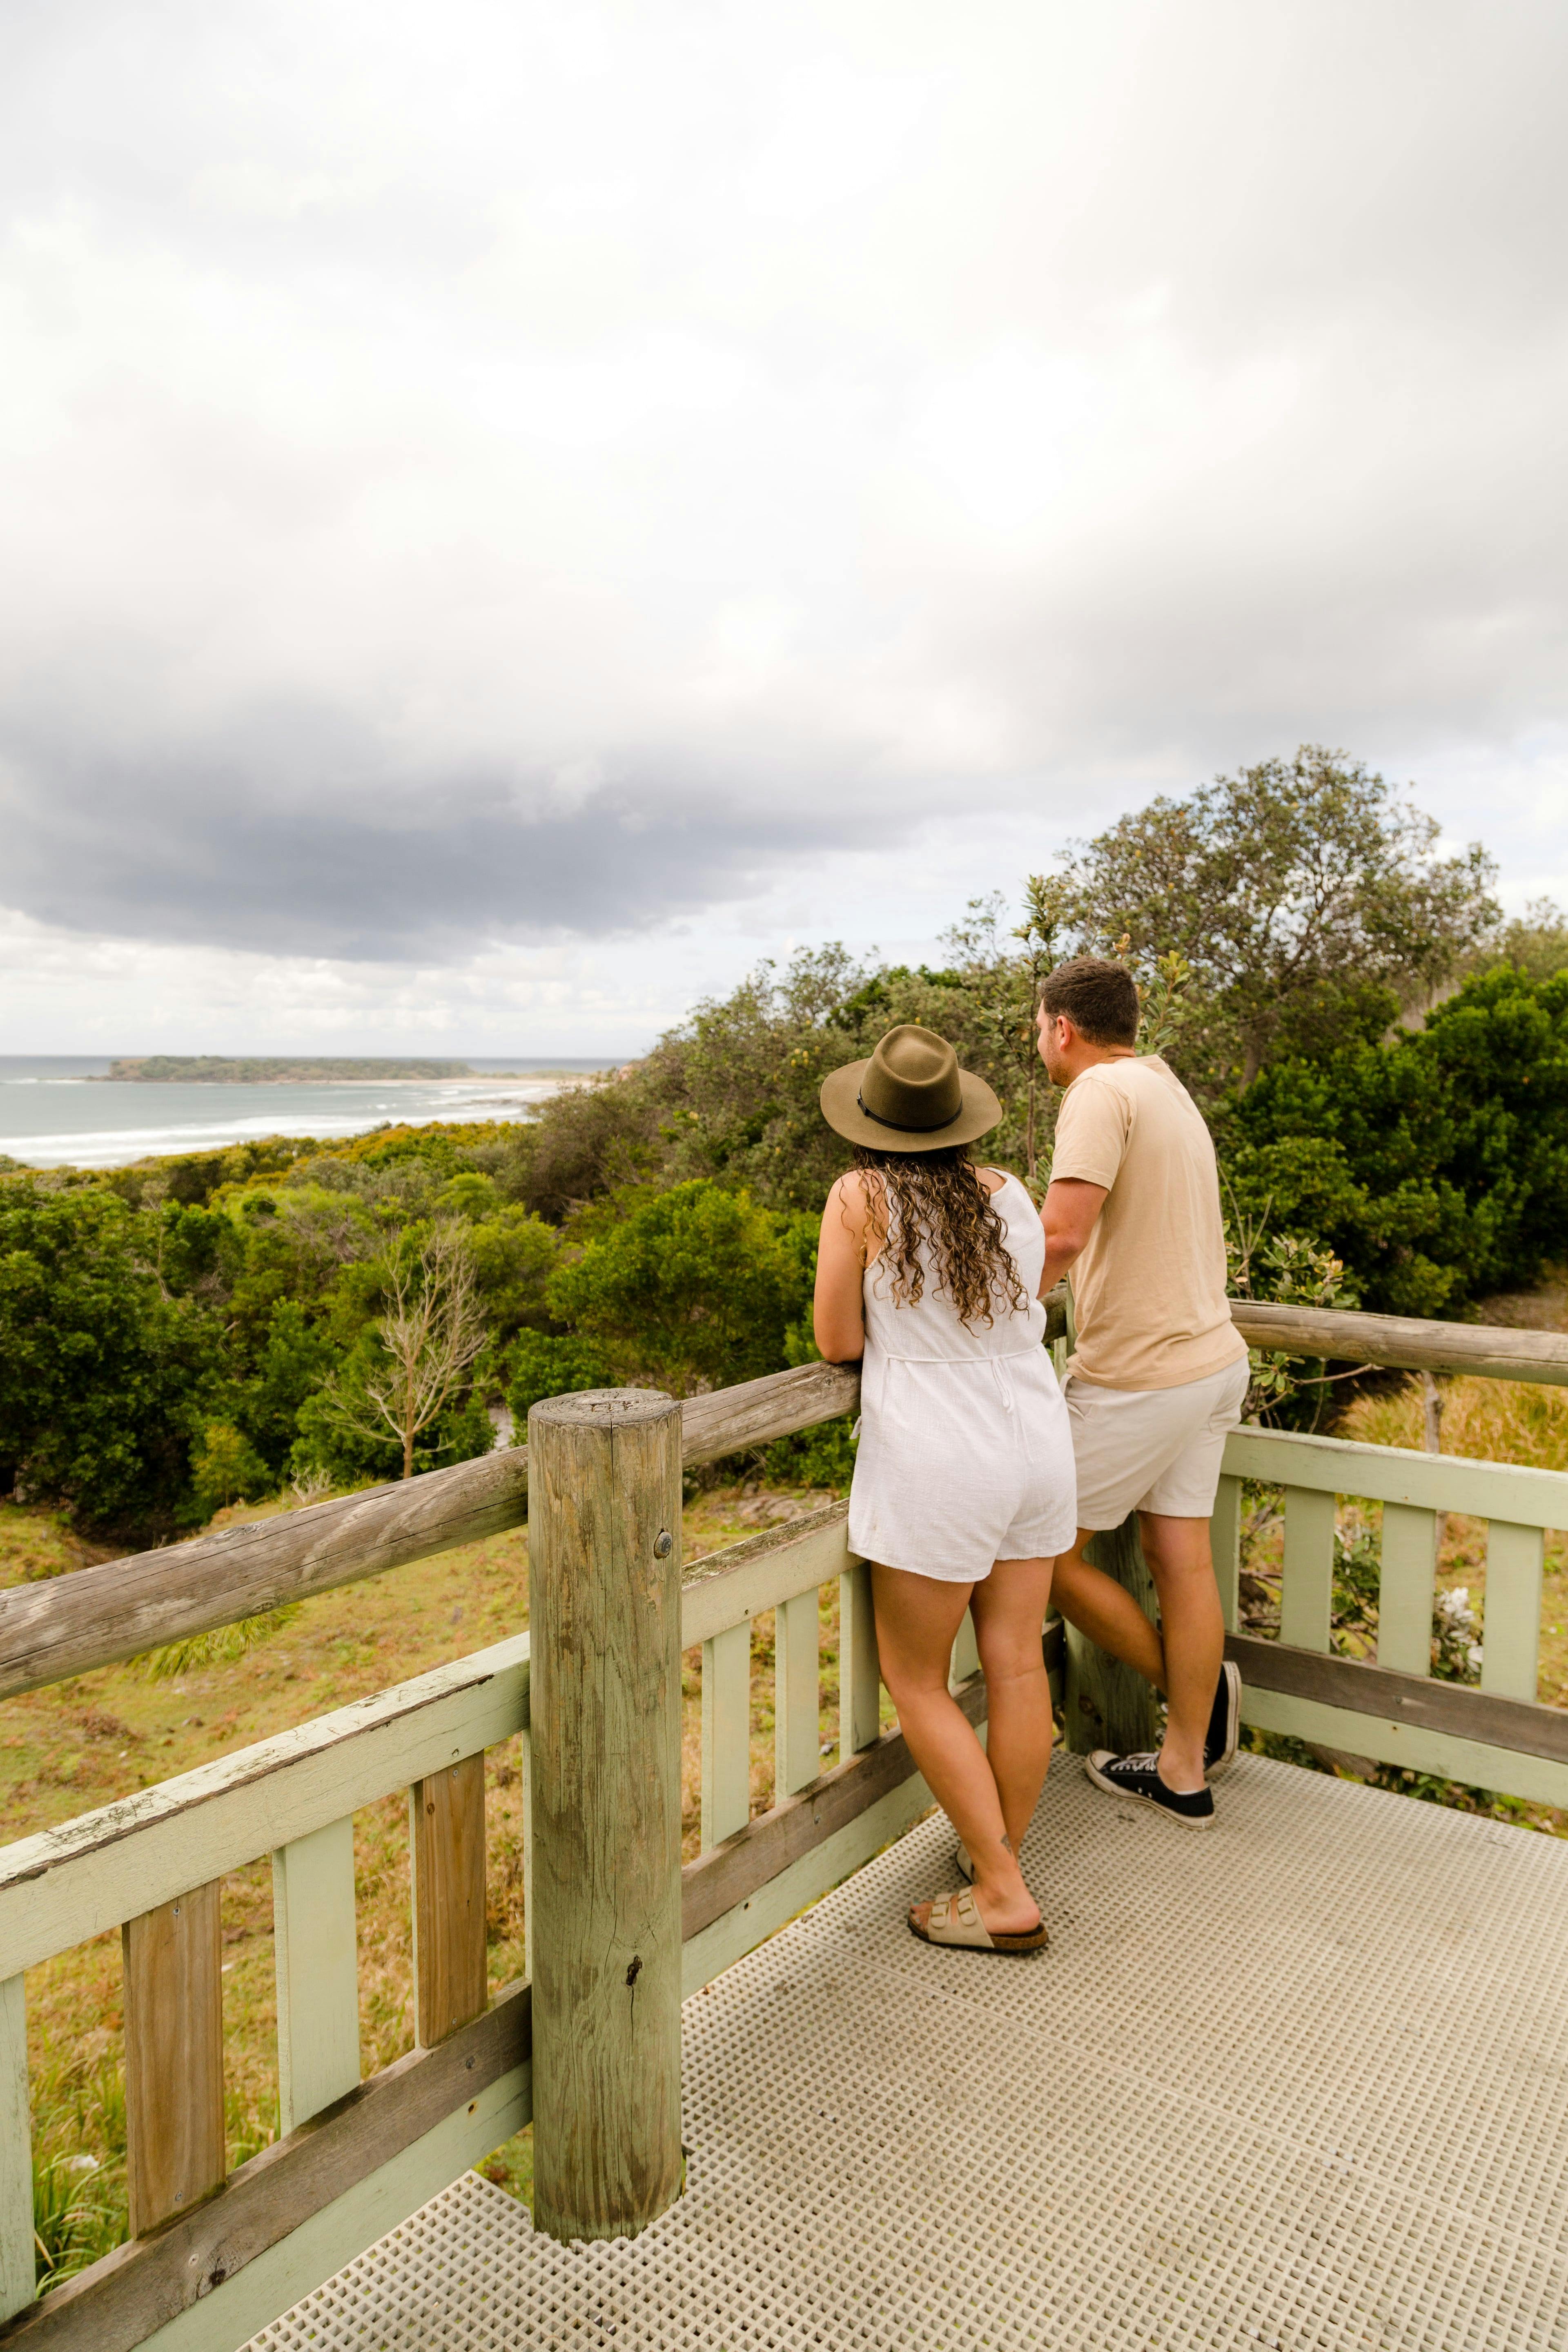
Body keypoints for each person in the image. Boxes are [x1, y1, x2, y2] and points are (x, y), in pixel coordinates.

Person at [814, 1022, 1076, 1956]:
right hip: (1035, 1440)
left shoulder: (861, 1195)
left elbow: (837, 1342)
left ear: (872, 1122)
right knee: (1014, 1664)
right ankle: (998, 1853)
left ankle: (1003, 1893)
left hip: (941, 1456)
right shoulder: (1008, 1191)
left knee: (917, 1680)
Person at [1035, 956, 1249, 1829]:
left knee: (1043, 1556)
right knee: (1181, 1560)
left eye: (1037, 1028)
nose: (1037, 1043)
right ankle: (1183, 1767)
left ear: (1062, 1028)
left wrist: (975, 1313)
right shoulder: (1165, 1085)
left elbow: (1061, 1235)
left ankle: (1189, 1698)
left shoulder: (1095, 1094)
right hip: (1212, 1363)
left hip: (1140, 1378)